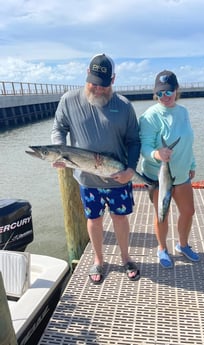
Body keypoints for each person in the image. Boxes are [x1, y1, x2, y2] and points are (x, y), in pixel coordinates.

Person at [51, 53, 141, 284]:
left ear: (113, 79)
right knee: (94, 220)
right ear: (86, 76)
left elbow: (134, 141)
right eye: (93, 83)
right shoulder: (69, 100)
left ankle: (126, 257)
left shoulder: (124, 106)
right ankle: (99, 260)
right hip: (87, 178)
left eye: (104, 84)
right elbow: (59, 127)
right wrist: (60, 150)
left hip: (118, 178)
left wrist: (131, 169)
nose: (98, 89)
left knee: (120, 218)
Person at [139, 70, 200, 268]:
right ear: (155, 93)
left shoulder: (184, 112)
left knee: (188, 211)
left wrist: (192, 164)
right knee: (161, 214)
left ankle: (183, 245)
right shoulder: (150, 116)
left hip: (182, 174)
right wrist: (157, 154)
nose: (165, 97)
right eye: (160, 93)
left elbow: (187, 141)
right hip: (158, 176)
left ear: (177, 90)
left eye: (169, 92)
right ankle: (162, 248)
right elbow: (145, 146)